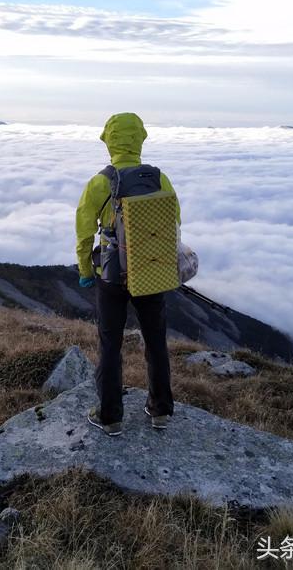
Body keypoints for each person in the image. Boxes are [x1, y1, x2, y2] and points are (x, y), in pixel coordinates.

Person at [75, 112, 181, 436]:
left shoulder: (99, 183)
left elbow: (83, 233)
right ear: (141, 139)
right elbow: (173, 224)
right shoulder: (158, 179)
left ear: (108, 141)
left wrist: (84, 270)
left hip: (111, 276)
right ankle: (160, 410)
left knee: (110, 342)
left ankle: (110, 416)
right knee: (156, 340)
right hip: (150, 272)